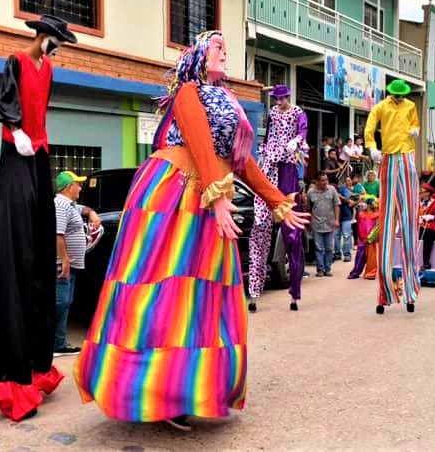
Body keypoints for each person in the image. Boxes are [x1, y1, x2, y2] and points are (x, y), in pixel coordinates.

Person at [74, 30, 308, 431]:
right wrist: (216, 197)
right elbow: (199, 141)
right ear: (199, 55)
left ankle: (189, 388)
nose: (225, 54)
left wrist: (277, 200)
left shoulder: (229, 101)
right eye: (218, 47)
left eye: (226, 49)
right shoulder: (188, 92)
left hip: (206, 193)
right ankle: (147, 387)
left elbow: (240, 160)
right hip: (171, 193)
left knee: (201, 297)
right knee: (159, 290)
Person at [0, 15, 76, 422]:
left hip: (40, 152)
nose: (56, 47)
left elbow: (44, 107)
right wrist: (16, 131)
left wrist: (37, 140)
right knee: (19, 250)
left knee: (39, 255)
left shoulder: (50, 67)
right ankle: (13, 380)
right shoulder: (17, 61)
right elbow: (9, 102)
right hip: (17, 149)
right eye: (54, 41)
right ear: (42, 38)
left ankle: (39, 368)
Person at [247, 84, 308, 313]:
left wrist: (297, 141)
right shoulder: (272, 112)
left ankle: (294, 293)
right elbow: (271, 132)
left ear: (288, 97)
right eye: (276, 98)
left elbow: (303, 132)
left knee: (292, 233)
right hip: (269, 165)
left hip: (288, 169)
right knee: (259, 227)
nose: (279, 102)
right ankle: (254, 292)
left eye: (282, 98)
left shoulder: (298, 112)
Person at [364, 79, 421, 315]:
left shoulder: (410, 106)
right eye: (396, 96)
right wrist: (371, 147)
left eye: (401, 96)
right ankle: (383, 293)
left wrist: (415, 130)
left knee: (409, 225)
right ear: (391, 94)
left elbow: (415, 123)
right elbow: (369, 128)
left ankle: (410, 292)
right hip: (387, 158)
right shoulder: (380, 107)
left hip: (406, 158)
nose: (399, 99)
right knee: (386, 226)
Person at [53, 171, 100, 357]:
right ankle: (48, 342)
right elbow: (58, 235)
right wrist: (64, 260)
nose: (80, 188)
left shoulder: (70, 205)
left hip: (70, 264)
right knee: (59, 302)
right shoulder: (60, 205)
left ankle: (59, 343)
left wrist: (94, 215)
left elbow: (86, 209)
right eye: (77, 184)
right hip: (62, 264)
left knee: (65, 303)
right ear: (69, 187)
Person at [307, 173, 341, 279]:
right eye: (322, 180)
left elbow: (336, 205)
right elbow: (309, 208)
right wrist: (309, 221)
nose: (325, 182)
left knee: (329, 248)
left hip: (330, 224)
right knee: (318, 248)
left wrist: (336, 220)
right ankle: (320, 269)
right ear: (317, 182)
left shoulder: (332, 190)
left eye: (326, 180)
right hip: (317, 225)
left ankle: (328, 269)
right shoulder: (311, 192)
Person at [348, 197, 379, 279]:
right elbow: (359, 227)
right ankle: (355, 272)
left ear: (370, 205)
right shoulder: (361, 214)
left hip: (371, 239)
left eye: (366, 203)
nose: (363, 204)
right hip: (362, 239)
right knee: (359, 256)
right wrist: (361, 237)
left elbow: (377, 228)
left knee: (371, 257)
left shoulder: (377, 215)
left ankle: (371, 273)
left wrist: (372, 238)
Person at [418, 183, 435, 270]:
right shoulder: (418, 203)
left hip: (432, 229)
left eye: (422, 192)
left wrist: (432, 217)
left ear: (428, 193)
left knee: (428, 234)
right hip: (421, 228)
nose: (420, 194)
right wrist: (418, 219)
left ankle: (426, 262)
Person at [336, 177, 357, 263]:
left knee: (345, 236)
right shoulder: (342, 189)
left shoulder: (344, 190)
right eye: (347, 180)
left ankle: (344, 254)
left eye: (349, 180)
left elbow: (352, 202)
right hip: (340, 216)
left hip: (345, 215)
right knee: (340, 236)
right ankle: (340, 254)